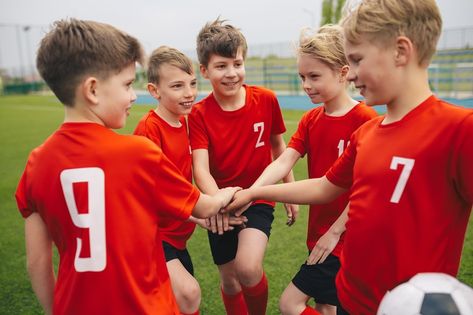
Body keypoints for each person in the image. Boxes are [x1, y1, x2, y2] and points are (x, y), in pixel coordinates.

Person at [226, 0, 473, 313]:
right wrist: (255, 192)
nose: (351, 74)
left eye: (357, 60)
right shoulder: (367, 135)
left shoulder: (459, 130)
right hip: (352, 297)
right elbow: (323, 187)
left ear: (400, 51)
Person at [15, 19, 239, 315]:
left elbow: (38, 263)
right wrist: (232, 193)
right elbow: (205, 207)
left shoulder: (35, 164)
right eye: (126, 85)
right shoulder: (137, 152)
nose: (133, 95)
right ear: (93, 90)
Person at [244, 24, 377, 315]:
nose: (306, 84)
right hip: (319, 233)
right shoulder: (310, 119)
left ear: (343, 73)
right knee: (326, 305)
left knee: (291, 303)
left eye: (314, 76)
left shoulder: (365, 119)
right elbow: (283, 161)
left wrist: (336, 231)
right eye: (302, 76)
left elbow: (368, 185)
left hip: (345, 237)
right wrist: (251, 193)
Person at [188, 18, 297, 315]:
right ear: (205, 71)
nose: (231, 73)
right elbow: (201, 169)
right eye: (221, 66)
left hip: (258, 196)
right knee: (231, 282)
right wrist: (217, 204)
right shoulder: (198, 114)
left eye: (237, 63)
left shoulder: (266, 100)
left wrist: (288, 189)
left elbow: (280, 148)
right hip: (220, 201)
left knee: (247, 269)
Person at [133, 45, 246, 315]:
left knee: (178, 303)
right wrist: (211, 205)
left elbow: (179, 186)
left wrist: (197, 218)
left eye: (193, 83)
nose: (189, 93)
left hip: (177, 236)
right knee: (188, 293)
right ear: (154, 91)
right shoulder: (149, 130)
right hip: (151, 236)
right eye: (177, 86)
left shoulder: (187, 122)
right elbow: (151, 193)